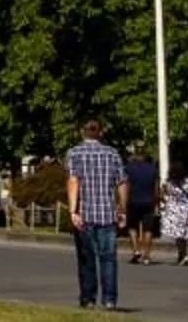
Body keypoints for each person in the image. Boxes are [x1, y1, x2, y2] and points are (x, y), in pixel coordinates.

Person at [62, 118, 128, 313]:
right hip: (107, 214)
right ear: (100, 132)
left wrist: (73, 210)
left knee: (86, 259)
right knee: (108, 259)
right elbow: (122, 182)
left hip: (86, 214)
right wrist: (122, 209)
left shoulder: (74, 153)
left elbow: (73, 181)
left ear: (83, 131)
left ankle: (88, 298)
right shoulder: (112, 154)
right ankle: (109, 299)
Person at [124, 147, 160, 264]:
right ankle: (147, 255)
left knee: (132, 227)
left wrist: (123, 202)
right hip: (148, 201)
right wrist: (156, 201)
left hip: (133, 201)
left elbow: (127, 186)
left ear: (135, 155)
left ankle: (136, 251)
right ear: (145, 155)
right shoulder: (152, 169)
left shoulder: (129, 168)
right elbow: (156, 188)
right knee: (148, 229)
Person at [159, 167, 188, 265]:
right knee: (183, 233)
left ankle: (183, 255)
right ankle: (182, 255)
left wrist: (167, 201)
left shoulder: (169, 183)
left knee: (178, 234)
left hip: (174, 209)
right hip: (186, 208)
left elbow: (162, 194)